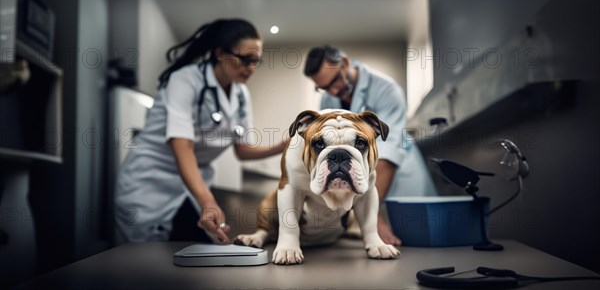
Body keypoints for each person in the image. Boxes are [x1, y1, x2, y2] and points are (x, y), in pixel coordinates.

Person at [115, 19, 286, 244]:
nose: (251, 67)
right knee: (150, 262)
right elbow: (183, 146)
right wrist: (207, 201)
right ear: (219, 53)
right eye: (245, 59)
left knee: (197, 254)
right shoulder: (185, 80)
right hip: (151, 182)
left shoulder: (241, 95)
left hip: (192, 183)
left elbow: (243, 150)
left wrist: (283, 145)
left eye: (256, 61)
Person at [303, 45, 437, 245]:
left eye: (335, 81)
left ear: (345, 63)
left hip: (397, 174)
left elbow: (388, 153)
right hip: (363, 179)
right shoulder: (328, 99)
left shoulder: (386, 90)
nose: (333, 90)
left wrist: (372, 215)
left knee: (415, 240)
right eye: (324, 87)